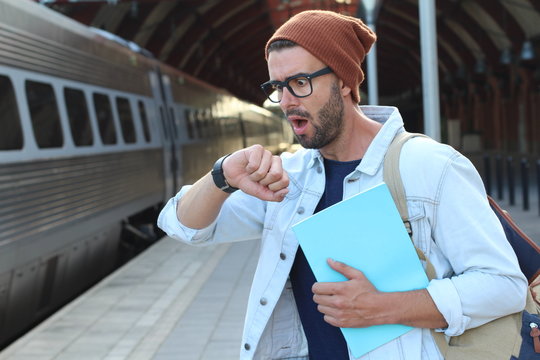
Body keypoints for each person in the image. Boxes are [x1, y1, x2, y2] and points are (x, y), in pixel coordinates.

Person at [158, 10, 527, 360]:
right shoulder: (288, 178)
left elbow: (503, 285)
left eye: (299, 83)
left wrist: (383, 307)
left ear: (345, 81)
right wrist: (222, 176)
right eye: (277, 86)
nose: (286, 102)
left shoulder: (429, 165)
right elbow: (183, 226)